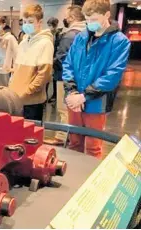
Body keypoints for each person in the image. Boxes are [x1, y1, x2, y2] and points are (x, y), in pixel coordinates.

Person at [62, 0, 130, 159]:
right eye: (87, 19)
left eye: (93, 20)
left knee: (93, 147)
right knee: (74, 143)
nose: (89, 23)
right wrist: (72, 92)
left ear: (107, 15)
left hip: (96, 102)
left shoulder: (119, 41)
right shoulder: (81, 37)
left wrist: (84, 95)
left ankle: (91, 180)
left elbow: (112, 75)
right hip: (74, 101)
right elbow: (68, 64)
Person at [44, 6, 86, 146]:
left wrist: (52, 65)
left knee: (64, 109)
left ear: (72, 18)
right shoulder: (88, 33)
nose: (65, 19)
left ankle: (62, 137)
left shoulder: (70, 35)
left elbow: (62, 58)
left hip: (65, 77)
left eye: (67, 16)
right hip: (81, 79)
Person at [9, 4, 54, 121]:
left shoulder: (45, 43)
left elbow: (43, 75)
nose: (26, 25)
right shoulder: (24, 41)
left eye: (30, 21)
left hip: (32, 101)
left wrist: (27, 92)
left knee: (30, 136)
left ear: (40, 22)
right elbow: (17, 70)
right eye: (24, 22)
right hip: (16, 98)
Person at [46, 17, 61, 103]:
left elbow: (58, 47)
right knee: (47, 78)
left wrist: (55, 58)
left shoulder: (59, 35)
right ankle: (46, 95)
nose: (50, 27)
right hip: (48, 58)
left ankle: (55, 95)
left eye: (51, 25)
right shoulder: (47, 34)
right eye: (48, 25)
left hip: (55, 60)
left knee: (55, 78)